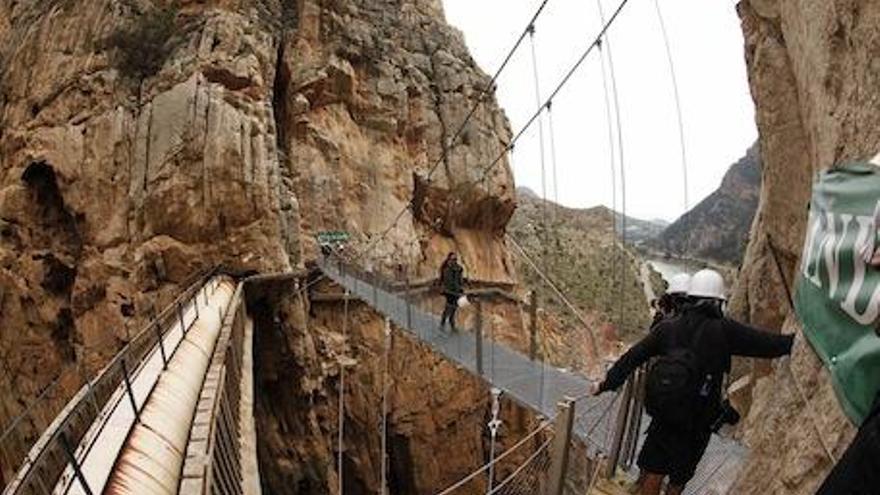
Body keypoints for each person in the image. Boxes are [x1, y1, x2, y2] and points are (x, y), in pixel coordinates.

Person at [593, 269, 794, 495]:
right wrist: (795, 342)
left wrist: (605, 383)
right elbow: (767, 344)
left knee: (654, 471)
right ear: (718, 302)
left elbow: (632, 358)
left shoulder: (668, 328)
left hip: (665, 416)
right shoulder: (725, 330)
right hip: (697, 423)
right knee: (678, 479)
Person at [439, 252, 464, 332]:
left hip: (456, 292)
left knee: (454, 308)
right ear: (449, 259)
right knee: (448, 307)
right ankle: (444, 323)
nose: (454, 261)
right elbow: (447, 281)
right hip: (449, 292)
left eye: (455, 259)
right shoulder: (446, 269)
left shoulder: (458, 268)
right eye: (453, 259)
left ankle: (451, 324)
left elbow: (459, 280)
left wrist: (460, 289)